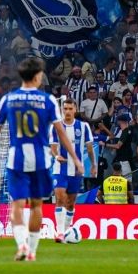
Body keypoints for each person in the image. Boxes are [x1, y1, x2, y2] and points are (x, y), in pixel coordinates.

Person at [0, 57, 77, 262]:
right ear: (38, 77)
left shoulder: (7, 99)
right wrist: (75, 158)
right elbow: (61, 133)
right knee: (37, 205)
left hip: (16, 159)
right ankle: (33, 252)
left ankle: (22, 245)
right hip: (40, 160)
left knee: (17, 205)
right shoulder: (48, 101)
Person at [51, 96, 94, 243]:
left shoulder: (83, 127)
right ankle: (60, 232)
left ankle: (67, 232)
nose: (68, 111)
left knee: (70, 203)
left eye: (70, 109)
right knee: (60, 198)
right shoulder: (56, 126)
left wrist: (93, 165)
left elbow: (89, 148)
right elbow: (53, 147)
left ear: (75, 110)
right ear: (62, 110)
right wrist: (56, 156)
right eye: (65, 109)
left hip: (75, 170)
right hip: (60, 168)